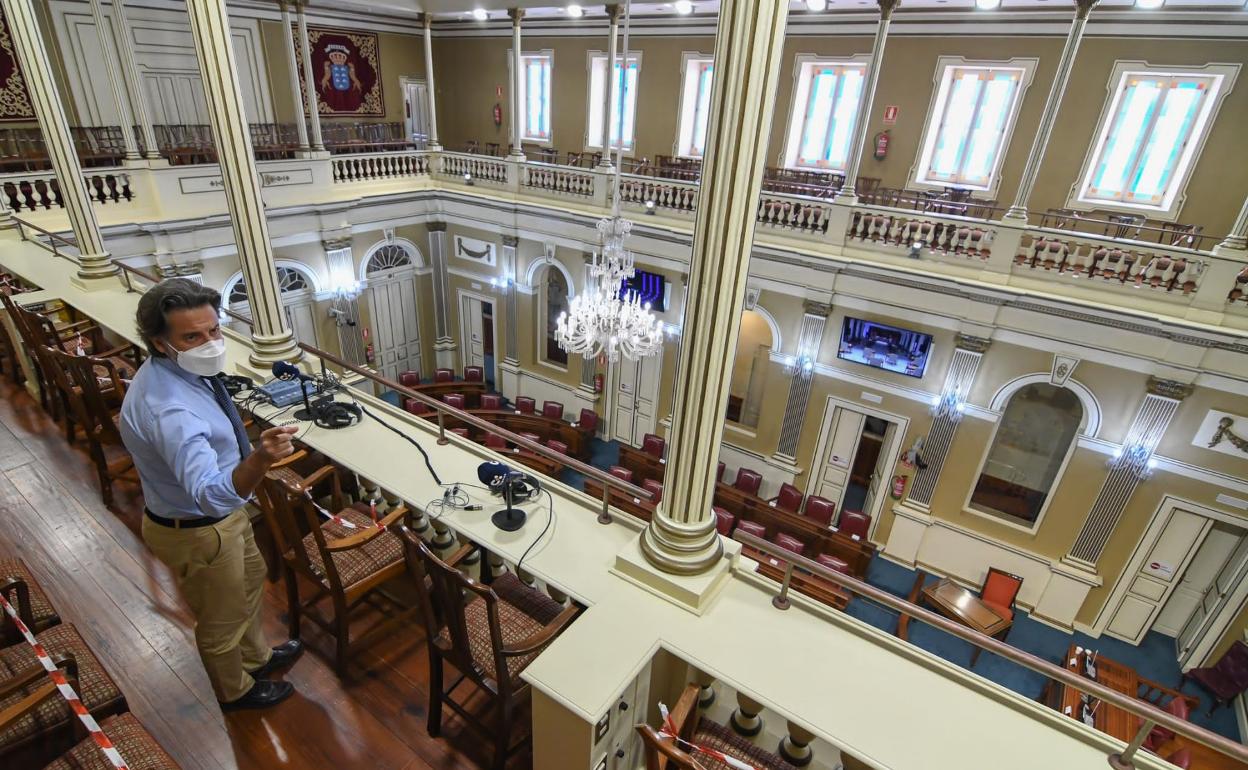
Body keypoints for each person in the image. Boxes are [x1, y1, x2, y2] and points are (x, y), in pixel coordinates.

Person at [119, 278, 302, 711]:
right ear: (160, 343)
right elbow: (210, 497)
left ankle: (257, 658)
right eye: (192, 336)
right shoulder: (171, 411)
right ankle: (235, 691)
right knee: (221, 618)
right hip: (199, 527)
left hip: (222, 519)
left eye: (214, 330)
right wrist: (259, 459)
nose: (210, 342)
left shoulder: (178, 372)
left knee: (250, 584)